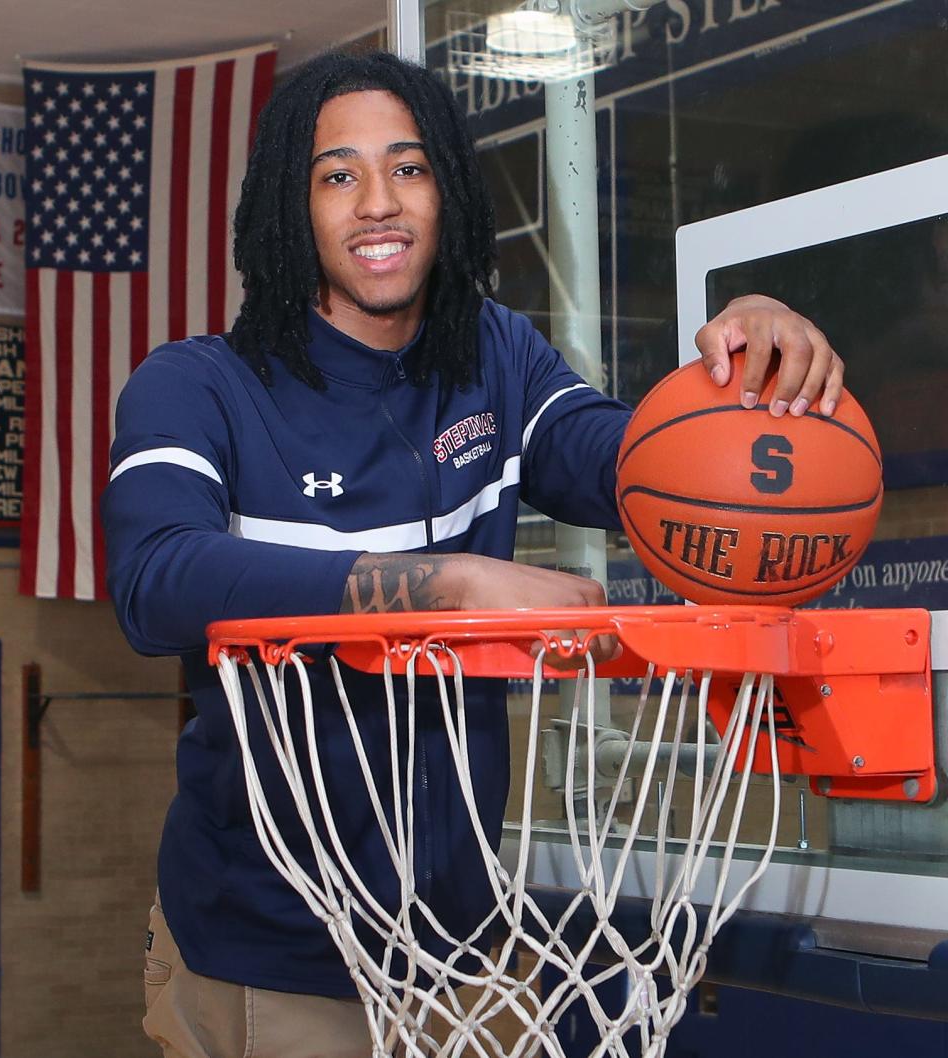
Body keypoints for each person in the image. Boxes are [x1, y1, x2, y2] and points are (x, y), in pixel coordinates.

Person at [102, 50, 844, 1058]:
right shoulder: (198, 385)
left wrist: (743, 380)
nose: (378, 203)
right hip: (269, 952)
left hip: (467, 948)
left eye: (408, 167)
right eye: (338, 174)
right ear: (292, 201)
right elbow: (157, 581)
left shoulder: (495, 358)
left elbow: (629, 463)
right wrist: (442, 585)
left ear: (447, 187)